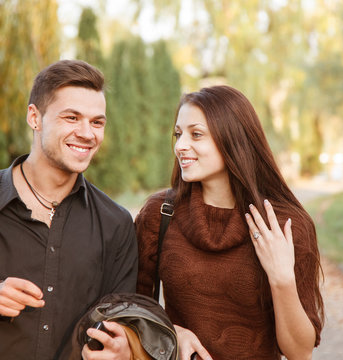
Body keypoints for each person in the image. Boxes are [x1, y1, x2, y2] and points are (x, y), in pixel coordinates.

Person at [0, 60, 138, 360]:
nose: (87, 133)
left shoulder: (116, 224)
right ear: (35, 117)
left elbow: (120, 323)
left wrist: (125, 345)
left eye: (97, 122)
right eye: (71, 117)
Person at [135, 85, 324, 360]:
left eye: (196, 134)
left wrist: (281, 279)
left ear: (233, 139)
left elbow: (299, 352)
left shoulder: (286, 225)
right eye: (178, 134)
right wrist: (171, 331)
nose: (180, 145)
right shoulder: (160, 213)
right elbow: (132, 308)